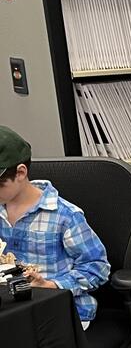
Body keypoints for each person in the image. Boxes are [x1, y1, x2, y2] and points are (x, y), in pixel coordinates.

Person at [0, 125, 110, 293]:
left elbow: (97, 268)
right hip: (12, 306)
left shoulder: (65, 216)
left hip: (56, 305)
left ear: (20, 173)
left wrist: (49, 285)